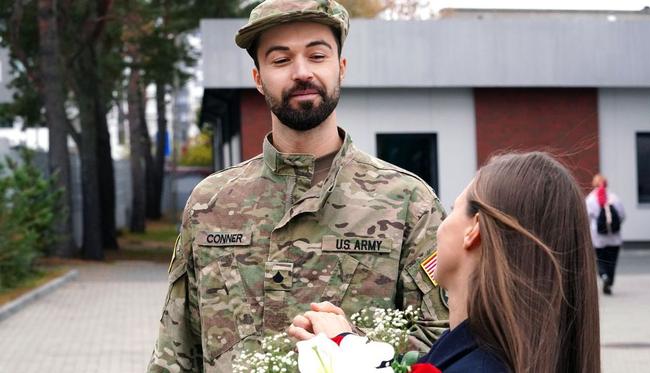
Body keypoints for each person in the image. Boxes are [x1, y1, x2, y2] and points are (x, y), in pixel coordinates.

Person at [147, 1, 448, 371]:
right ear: (258, 79)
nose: (302, 72)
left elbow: (443, 342)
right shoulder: (211, 204)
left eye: (317, 55)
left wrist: (354, 347)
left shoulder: (406, 202)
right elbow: (175, 350)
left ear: (341, 69)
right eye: (281, 60)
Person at [291, 152, 601, 373]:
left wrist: (346, 359)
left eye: (453, 208)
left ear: (473, 230)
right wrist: (348, 345)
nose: (441, 223)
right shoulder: (500, 353)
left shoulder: (477, 365)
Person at [586, 174, 625, 295]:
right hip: (614, 237)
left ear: (594, 183)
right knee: (612, 261)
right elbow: (622, 215)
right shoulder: (614, 197)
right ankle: (610, 281)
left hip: (598, 238)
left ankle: (603, 276)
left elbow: (586, 217)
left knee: (601, 260)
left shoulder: (590, 199)